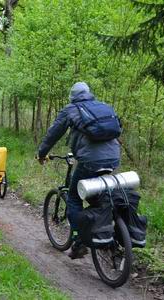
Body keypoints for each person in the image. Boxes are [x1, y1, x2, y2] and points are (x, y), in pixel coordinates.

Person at [37, 82, 120, 259]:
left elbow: (53, 133)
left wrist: (41, 154)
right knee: (97, 195)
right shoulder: (103, 106)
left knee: (74, 198)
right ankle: (105, 229)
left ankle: (79, 241)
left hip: (90, 161)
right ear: (89, 93)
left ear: (71, 97)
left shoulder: (71, 109)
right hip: (113, 158)